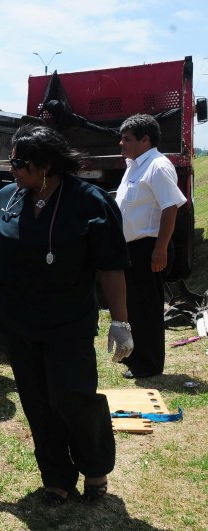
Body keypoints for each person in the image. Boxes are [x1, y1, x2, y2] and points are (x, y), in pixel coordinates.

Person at [0, 124, 133, 505]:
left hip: (68, 321)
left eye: (19, 163)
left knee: (73, 395)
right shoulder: (5, 200)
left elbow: (111, 266)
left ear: (46, 165)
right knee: (36, 399)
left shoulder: (91, 202)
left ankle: (95, 468)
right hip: (17, 321)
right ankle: (56, 476)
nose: (11, 169)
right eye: (11, 161)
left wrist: (120, 321)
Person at [115, 114, 186, 379]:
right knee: (133, 305)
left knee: (147, 307)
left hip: (149, 248)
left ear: (146, 140)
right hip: (131, 249)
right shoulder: (134, 165)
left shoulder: (157, 165)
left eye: (127, 139)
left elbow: (171, 208)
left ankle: (149, 364)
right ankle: (135, 357)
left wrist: (161, 248)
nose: (121, 143)